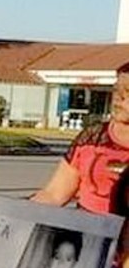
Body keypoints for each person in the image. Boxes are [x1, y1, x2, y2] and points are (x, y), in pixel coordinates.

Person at [33, 62, 129, 214]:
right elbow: (54, 195)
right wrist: (16, 212)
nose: (118, 98)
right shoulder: (91, 137)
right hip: (85, 226)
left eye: (128, 91)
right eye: (116, 90)